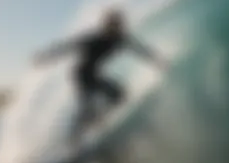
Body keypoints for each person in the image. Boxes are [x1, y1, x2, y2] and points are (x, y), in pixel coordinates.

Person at [33, 8, 168, 145]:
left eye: (118, 24)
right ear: (106, 25)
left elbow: (139, 49)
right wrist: (46, 56)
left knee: (119, 95)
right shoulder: (95, 38)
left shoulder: (121, 38)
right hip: (81, 74)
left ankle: (99, 122)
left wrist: (156, 60)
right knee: (87, 108)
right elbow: (68, 46)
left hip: (94, 74)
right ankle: (72, 142)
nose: (116, 28)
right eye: (113, 24)